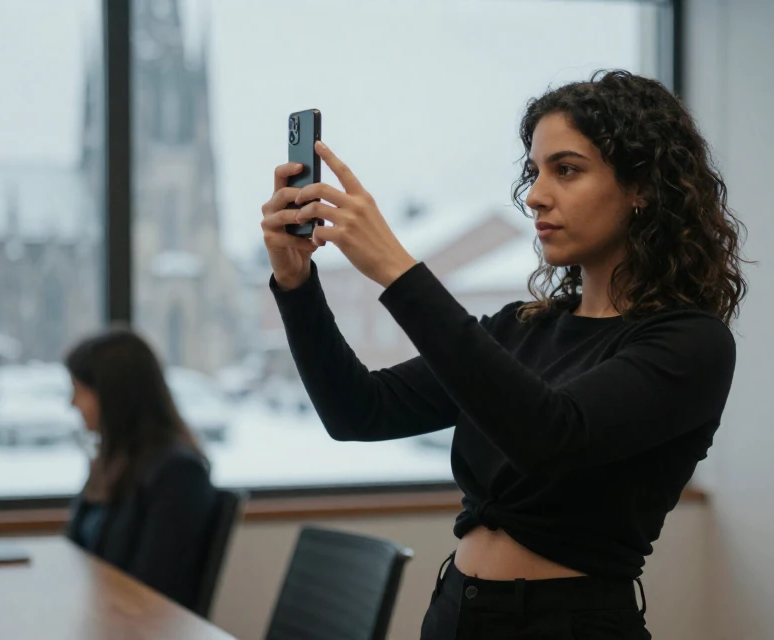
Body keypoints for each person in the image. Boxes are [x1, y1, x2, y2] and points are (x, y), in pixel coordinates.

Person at [261, 70, 746, 639]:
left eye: (566, 169)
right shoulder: (522, 327)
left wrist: (396, 269)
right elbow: (359, 412)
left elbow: (550, 436)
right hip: (456, 614)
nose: (536, 194)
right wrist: (297, 287)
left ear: (643, 187)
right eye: (534, 171)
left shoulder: (691, 344)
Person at [62, 328, 216, 611]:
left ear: (113, 397)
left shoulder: (178, 474)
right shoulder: (112, 463)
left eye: (80, 391)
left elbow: (154, 589)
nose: (72, 404)